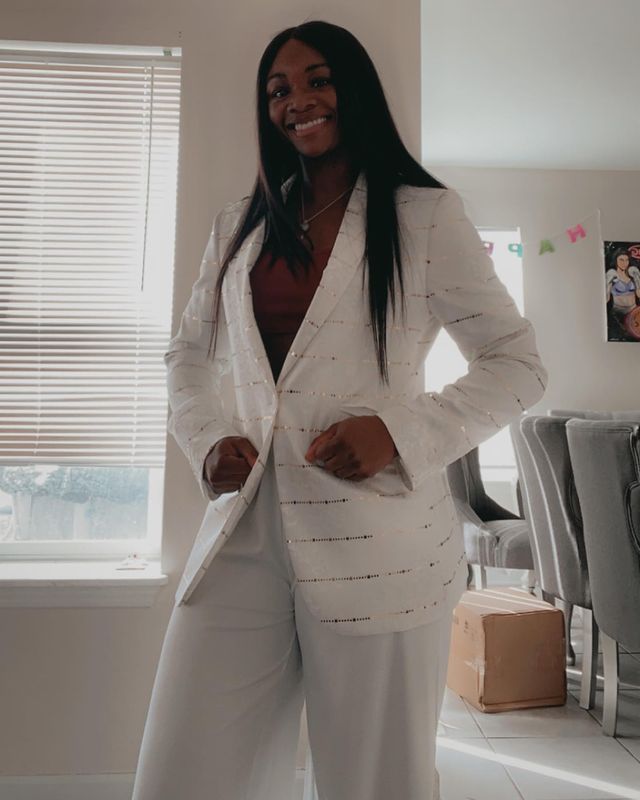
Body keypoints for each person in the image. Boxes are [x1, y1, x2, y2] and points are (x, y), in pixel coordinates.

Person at [131, 20, 547, 800]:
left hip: (379, 549)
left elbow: (518, 364)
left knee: (374, 784)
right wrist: (209, 437)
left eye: (318, 80)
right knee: (180, 775)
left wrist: (399, 432)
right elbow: (188, 356)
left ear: (353, 89)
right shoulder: (238, 226)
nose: (299, 102)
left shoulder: (423, 216)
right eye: (278, 90)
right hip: (245, 536)